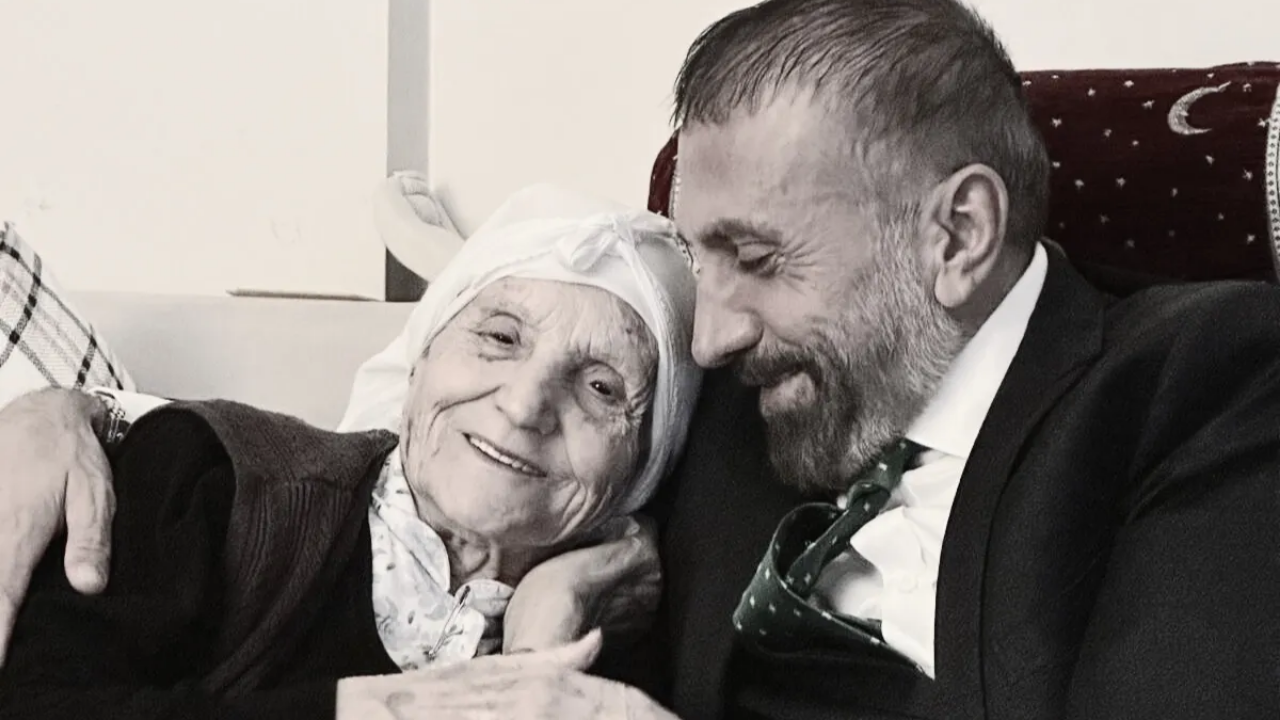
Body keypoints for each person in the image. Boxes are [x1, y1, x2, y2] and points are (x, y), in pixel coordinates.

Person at [3, 0, 1280, 718]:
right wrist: (79, 416)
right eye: (696, 261)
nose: (709, 334)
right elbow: (416, 438)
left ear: (954, 237)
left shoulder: (1203, 385)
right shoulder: (736, 397)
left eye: (756, 259)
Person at [0, 184, 701, 719]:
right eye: (500, 337)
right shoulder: (203, 474)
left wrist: (540, 648)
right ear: (421, 362)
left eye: (601, 387)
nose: (524, 406)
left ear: (644, 464)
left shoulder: (630, 648)